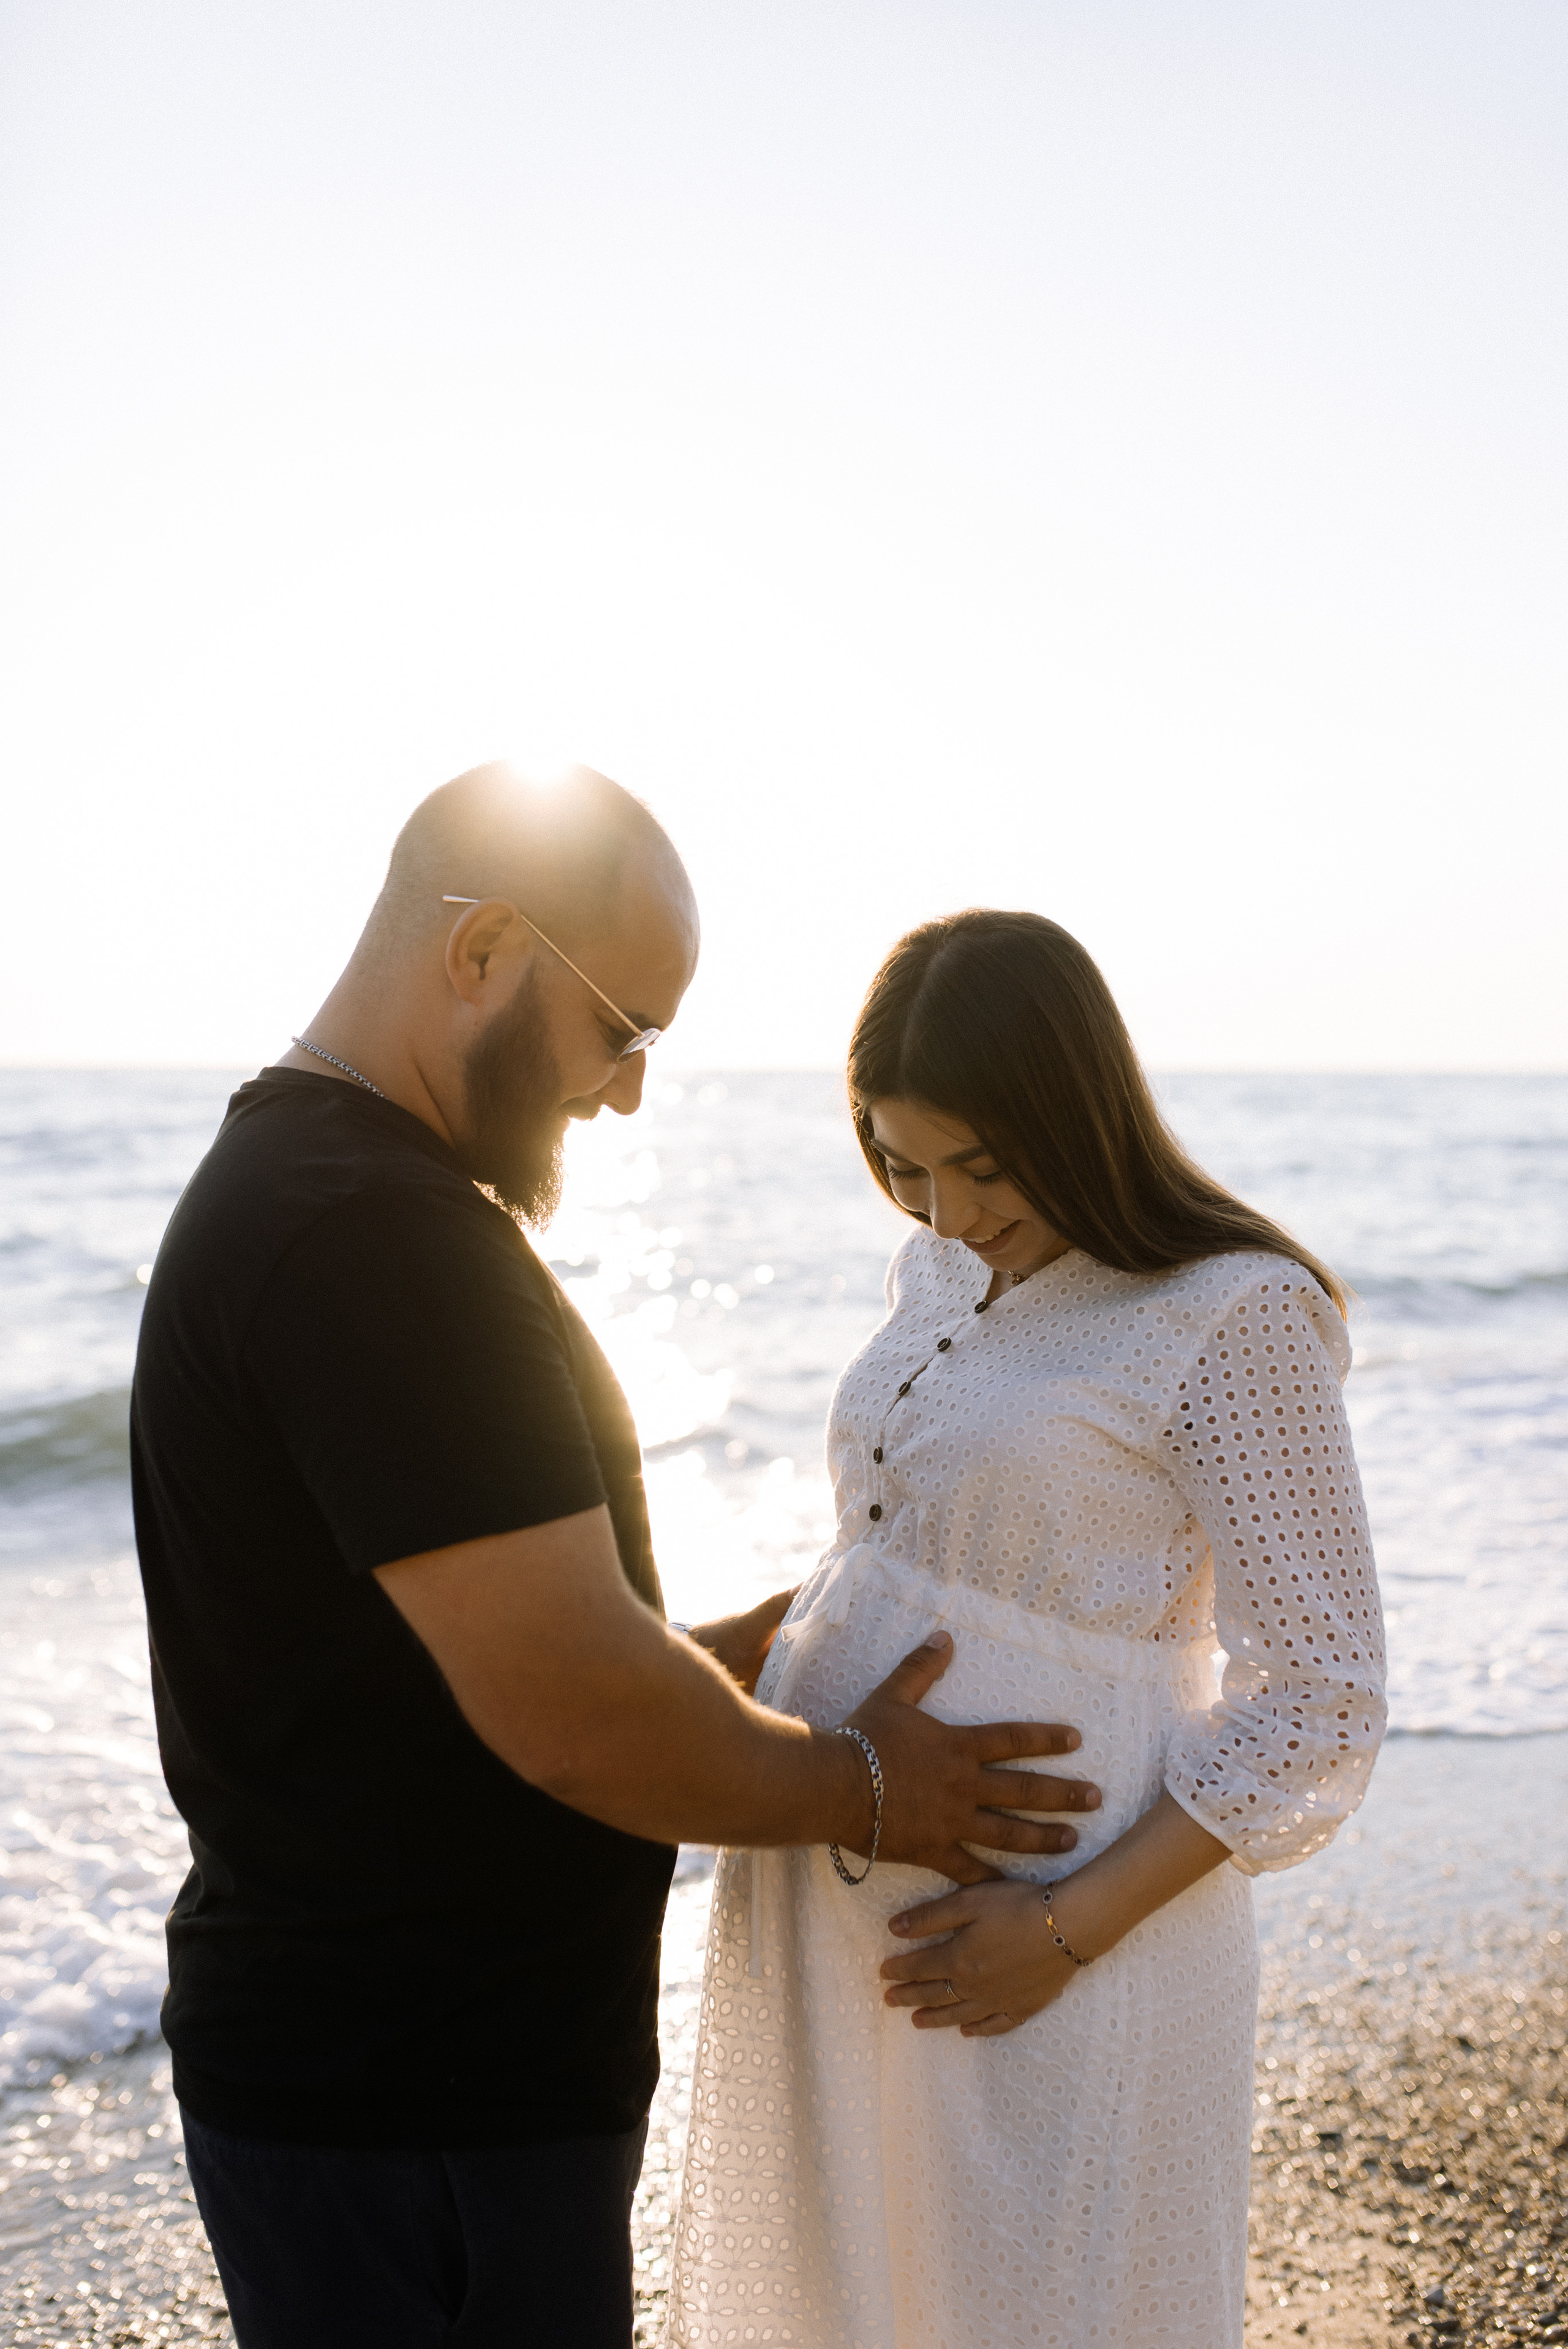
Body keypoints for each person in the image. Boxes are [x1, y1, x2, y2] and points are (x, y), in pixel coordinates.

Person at [129, 769, 1101, 2349]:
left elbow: (449, 1673)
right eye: (624, 1033)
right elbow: (575, 1712)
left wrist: (781, 1643)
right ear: (486, 948)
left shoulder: (333, 1193)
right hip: (412, 2106)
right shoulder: (373, 1236)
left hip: (392, 2082)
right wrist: (874, 1789)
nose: (629, 1093)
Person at [668, 909, 1387, 2349]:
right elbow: (894, 1542)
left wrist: (1060, 1932)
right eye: (901, 1163)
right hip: (843, 1900)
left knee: (1049, 2295)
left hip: (1067, 1920)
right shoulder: (939, 1270)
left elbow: (1321, 1697)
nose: (942, 1209)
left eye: (980, 1165)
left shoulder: (1228, 1312)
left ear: (1076, 1110)